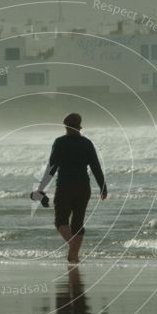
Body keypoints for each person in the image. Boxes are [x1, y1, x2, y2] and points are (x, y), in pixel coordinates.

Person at [34, 113, 107, 264]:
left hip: (65, 187)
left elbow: (51, 168)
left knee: (60, 220)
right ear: (80, 126)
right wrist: (103, 186)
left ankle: (73, 247)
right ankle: (74, 256)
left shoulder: (60, 142)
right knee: (78, 223)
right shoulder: (87, 143)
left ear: (66, 126)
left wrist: (41, 189)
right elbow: (96, 167)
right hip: (83, 187)